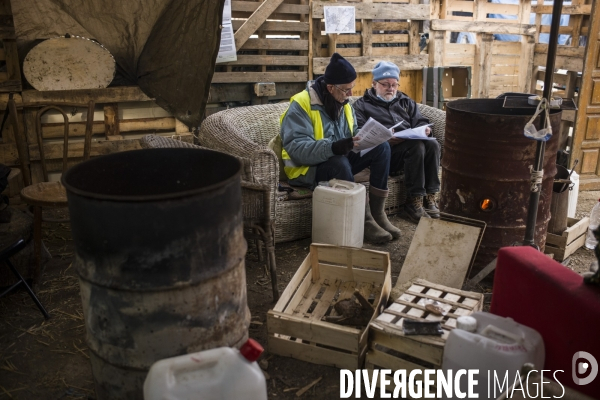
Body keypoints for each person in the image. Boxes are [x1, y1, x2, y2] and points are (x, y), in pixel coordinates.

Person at [279, 53, 400, 244]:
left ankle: (378, 214)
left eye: (352, 88)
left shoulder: (343, 102)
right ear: (330, 87)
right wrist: (334, 147)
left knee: (382, 147)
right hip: (306, 169)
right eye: (346, 90)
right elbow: (297, 149)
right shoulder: (301, 104)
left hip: (336, 159)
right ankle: (364, 220)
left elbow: (352, 133)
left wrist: (371, 136)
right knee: (340, 163)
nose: (351, 95)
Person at [353, 61, 441, 221]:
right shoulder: (361, 105)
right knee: (416, 146)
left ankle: (430, 196)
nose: (391, 89)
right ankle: (413, 203)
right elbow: (360, 134)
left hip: (411, 151)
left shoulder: (405, 101)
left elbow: (420, 120)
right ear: (374, 84)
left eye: (394, 85)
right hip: (385, 156)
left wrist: (425, 128)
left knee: (432, 144)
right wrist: (385, 138)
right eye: (386, 85)